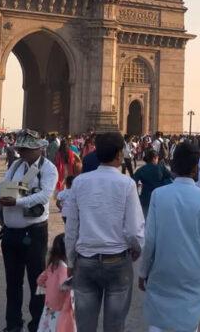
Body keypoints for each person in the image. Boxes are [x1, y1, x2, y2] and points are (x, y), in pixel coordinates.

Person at [139, 141, 200, 332]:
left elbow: (150, 238)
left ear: (173, 166)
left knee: (158, 323)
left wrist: (143, 272)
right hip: (194, 274)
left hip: (163, 271)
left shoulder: (159, 196)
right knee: (188, 325)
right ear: (196, 169)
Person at [64, 132, 144, 332]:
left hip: (85, 261)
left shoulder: (80, 182)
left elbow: (72, 227)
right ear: (119, 154)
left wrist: (71, 260)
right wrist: (136, 248)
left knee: (84, 326)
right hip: (117, 261)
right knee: (115, 326)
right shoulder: (127, 184)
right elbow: (134, 230)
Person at [0, 130, 58, 332]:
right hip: (11, 233)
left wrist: (17, 202)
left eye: (25, 149)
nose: (22, 152)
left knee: (37, 282)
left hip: (34, 233)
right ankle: (13, 324)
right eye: (20, 149)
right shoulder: (17, 165)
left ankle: (37, 325)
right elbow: (3, 185)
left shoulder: (48, 169)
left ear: (38, 148)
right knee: (13, 282)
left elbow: (45, 196)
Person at [36, 233, 76, 332]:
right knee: (59, 326)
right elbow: (63, 285)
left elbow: (40, 280)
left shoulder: (52, 265)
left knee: (46, 325)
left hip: (49, 304)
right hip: (61, 306)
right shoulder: (64, 268)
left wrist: (49, 286)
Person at [132, 149, 173, 217]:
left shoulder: (141, 169)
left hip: (146, 199)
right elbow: (171, 177)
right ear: (154, 158)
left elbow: (133, 182)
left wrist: (137, 196)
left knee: (147, 220)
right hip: (160, 198)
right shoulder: (161, 167)